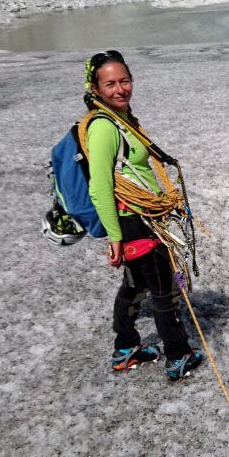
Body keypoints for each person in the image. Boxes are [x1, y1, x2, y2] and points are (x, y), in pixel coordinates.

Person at [84, 50, 200, 381]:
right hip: (135, 222)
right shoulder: (105, 128)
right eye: (110, 83)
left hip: (140, 217)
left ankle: (126, 348)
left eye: (124, 80)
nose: (120, 89)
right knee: (164, 290)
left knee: (134, 288)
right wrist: (115, 237)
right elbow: (100, 187)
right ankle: (178, 355)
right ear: (96, 87)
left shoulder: (120, 118)